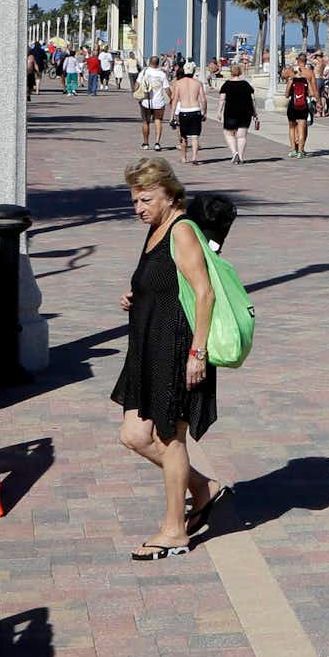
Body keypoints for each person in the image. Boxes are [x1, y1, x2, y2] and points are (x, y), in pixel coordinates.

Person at [112, 156, 226, 558]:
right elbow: (162, 281)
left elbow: (204, 293)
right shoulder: (156, 228)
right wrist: (137, 295)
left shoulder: (181, 231)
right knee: (133, 435)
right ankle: (202, 487)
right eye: (134, 201)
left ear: (168, 192)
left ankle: (175, 530)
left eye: (145, 199)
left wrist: (198, 353)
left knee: (169, 437)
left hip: (177, 349)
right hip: (147, 345)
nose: (138, 208)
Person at [170, 63, 208, 164]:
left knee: (183, 136)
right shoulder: (198, 83)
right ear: (193, 71)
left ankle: (184, 157)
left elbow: (174, 100)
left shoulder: (179, 83)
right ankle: (194, 157)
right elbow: (203, 100)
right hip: (196, 110)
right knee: (195, 136)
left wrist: (172, 116)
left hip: (184, 111)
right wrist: (204, 112)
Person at [220, 64, 259, 161]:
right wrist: (255, 112)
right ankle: (241, 157)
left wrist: (219, 112)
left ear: (231, 72)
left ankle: (235, 153)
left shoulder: (227, 84)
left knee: (228, 134)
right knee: (241, 136)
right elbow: (252, 100)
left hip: (230, 113)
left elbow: (222, 99)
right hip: (246, 113)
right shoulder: (246, 84)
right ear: (240, 72)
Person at [137, 55, 171, 151]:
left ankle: (145, 143)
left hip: (145, 101)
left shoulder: (144, 72)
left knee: (145, 122)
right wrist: (171, 98)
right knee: (158, 121)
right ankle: (157, 143)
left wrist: (136, 94)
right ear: (158, 63)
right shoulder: (162, 74)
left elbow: (137, 84)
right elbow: (167, 88)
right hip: (159, 102)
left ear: (149, 63)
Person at [284, 67, 313, 158]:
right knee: (301, 129)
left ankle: (293, 150)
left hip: (292, 106)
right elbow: (311, 93)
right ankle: (300, 151)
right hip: (303, 106)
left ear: (293, 72)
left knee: (292, 128)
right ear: (301, 72)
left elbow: (286, 95)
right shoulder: (306, 81)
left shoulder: (291, 81)